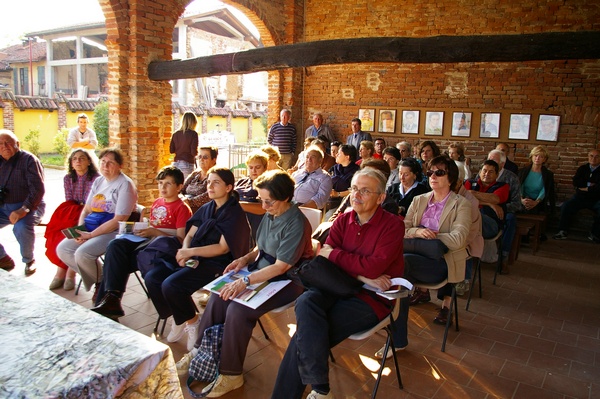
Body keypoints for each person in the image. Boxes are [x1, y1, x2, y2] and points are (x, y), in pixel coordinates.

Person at [176, 170, 313, 397]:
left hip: (289, 279)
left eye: (269, 201)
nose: (264, 206)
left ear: (285, 198)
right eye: (261, 200)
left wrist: (245, 281)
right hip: (264, 269)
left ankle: (231, 374)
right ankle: (201, 351)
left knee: (239, 310)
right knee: (221, 296)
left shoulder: (296, 222)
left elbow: (281, 267)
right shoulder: (272, 214)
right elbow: (260, 248)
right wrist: (244, 259)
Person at [271, 168, 405, 399]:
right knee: (305, 302)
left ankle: (316, 391)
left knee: (305, 335)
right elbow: (324, 256)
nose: (356, 195)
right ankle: (320, 390)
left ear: (381, 197)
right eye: (354, 189)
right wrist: (361, 274)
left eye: (365, 191)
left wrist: (340, 259)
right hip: (335, 286)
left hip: (372, 297)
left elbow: (373, 267)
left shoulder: (393, 225)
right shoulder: (344, 219)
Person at [143, 168, 250, 352]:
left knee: (172, 285)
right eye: (209, 182)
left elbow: (222, 248)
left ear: (228, 187)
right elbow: (190, 234)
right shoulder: (207, 207)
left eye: (216, 182)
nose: (210, 186)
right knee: (153, 278)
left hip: (219, 264)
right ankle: (180, 317)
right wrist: (185, 250)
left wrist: (190, 252)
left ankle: (193, 322)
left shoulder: (234, 213)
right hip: (195, 256)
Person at [90, 166, 192, 317]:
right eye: (160, 183)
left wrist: (154, 232)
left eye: (168, 184)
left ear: (179, 187)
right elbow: (153, 226)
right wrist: (140, 229)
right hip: (148, 242)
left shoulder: (182, 208)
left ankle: (111, 302)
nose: (162, 187)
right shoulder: (158, 202)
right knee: (115, 246)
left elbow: (181, 240)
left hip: (162, 250)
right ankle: (111, 301)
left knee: (116, 263)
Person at [56, 148, 137, 294]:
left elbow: (119, 219)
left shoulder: (125, 185)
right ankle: (101, 280)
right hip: (92, 227)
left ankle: (102, 287)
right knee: (63, 249)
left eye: (110, 163)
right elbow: (87, 209)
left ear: (120, 165)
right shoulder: (99, 181)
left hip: (114, 231)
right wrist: (81, 229)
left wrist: (91, 235)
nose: (105, 166)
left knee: (82, 254)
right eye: (103, 162)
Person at [403, 156, 471, 326]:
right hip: (416, 256)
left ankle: (394, 314)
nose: (432, 176)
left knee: (402, 262)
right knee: (399, 261)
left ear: (451, 179)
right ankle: (396, 310)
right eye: (430, 172)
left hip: (443, 262)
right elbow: (402, 230)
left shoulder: (461, 204)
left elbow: (459, 239)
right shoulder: (419, 200)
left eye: (439, 173)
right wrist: (418, 231)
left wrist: (431, 235)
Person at [46, 150, 100, 290]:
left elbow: (93, 203)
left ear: (89, 161)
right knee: (58, 234)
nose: (78, 161)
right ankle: (61, 272)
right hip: (72, 209)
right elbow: (69, 199)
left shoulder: (96, 179)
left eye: (82, 158)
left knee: (74, 232)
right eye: (74, 159)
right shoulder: (68, 178)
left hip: (90, 212)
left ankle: (70, 273)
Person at [0, 130, 45, 275]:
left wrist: (22, 210)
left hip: (29, 205)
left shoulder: (29, 160)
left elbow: (37, 190)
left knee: (21, 227)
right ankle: (3, 258)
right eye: (0, 144)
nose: (4, 146)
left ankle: (29, 260)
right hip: (3, 206)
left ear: (17, 144)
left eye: (8, 143)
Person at [554, 149, 600, 243]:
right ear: (588, 157)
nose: (593, 158)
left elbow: (599, 188)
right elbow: (576, 182)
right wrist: (589, 185)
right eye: (591, 156)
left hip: (596, 199)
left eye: (596, 156)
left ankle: (595, 234)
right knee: (566, 206)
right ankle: (562, 231)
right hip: (580, 198)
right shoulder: (583, 168)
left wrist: (585, 187)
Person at [488, 149, 523, 269]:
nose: (490, 163)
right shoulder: (482, 173)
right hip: (484, 210)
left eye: (494, 161)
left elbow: (516, 204)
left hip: (504, 211)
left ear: (502, 164)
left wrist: (500, 207)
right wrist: (490, 205)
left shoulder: (511, 178)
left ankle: (504, 255)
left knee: (510, 220)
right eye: (489, 160)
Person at [464, 160, 509, 240]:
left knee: (474, 216)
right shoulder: (469, 183)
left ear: (497, 175)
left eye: (491, 172)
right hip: (467, 221)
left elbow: (495, 199)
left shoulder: (502, 186)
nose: (487, 174)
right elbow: (464, 198)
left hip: (490, 224)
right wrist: (489, 204)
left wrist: (472, 192)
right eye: (484, 171)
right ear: (480, 172)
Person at [235, 151, 269, 241]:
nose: (254, 171)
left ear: (265, 168)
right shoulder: (242, 181)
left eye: (257, 167)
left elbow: (264, 208)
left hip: (254, 219)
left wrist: (239, 205)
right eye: (250, 167)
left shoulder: (268, 184)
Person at [518, 146, 556, 216]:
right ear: (531, 157)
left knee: (534, 211)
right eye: (535, 155)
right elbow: (519, 186)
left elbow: (545, 190)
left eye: (541, 156)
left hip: (539, 202)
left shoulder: (548, 174)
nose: (537, 158)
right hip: (523, 199)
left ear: (545, 159)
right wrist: (522, 200)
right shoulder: (522, 171)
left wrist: (536, 202)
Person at [182, 146, 218, 213]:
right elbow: (181, 188)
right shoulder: (195, 174)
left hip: (202, 211)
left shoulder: (216, 176)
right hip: (185, 205)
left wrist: (188, 202)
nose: (201, 160)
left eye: (205, 157)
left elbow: (209, 195)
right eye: (199, 157)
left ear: (213, 160)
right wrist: (180, 199)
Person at [328, 144, 359, 211]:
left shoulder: (356, 172)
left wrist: (338, 194)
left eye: (339, 154)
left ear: (347, 157)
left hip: (343, 203)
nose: (336, 155)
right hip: (328, 200)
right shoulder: (335, 168)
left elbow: (354, 190)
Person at [170, 111, 199, 179]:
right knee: (186, 187)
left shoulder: (175, 134)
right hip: (187, 164)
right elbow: (193, 152)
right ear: (193, 122)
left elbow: (171, 150)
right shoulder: (193, 134)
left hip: (176, 164)